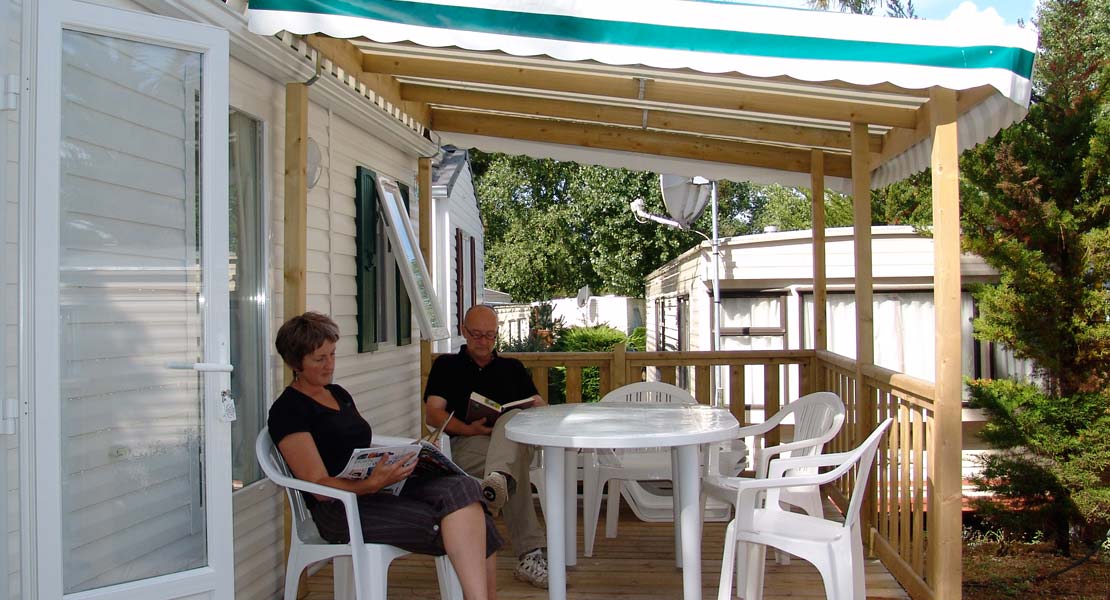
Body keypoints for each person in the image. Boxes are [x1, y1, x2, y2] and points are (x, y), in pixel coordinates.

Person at [268, 312, 501, 600]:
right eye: (319, 359)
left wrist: (412, 452)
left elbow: (359, 446)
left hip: (378, 488)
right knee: (461, 520)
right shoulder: (288, 411)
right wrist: (371, 484)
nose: (329, 364)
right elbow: (318, 485)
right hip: (342, 508)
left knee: (466, 489)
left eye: (332, 354)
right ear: (295, 363)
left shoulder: (337, 394)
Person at [424, 304, 549, 589]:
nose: (484, 341)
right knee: (511, 470)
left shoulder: (512, 368)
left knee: (512, 419)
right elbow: (433, 414)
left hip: (511, 445)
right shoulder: (446, 366)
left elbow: (540, 408)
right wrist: (468, 428)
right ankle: (530, 554)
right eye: (477, 334)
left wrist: (523, 411)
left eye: (490, 336)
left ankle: (496, 481)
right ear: (464, 331)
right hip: (467, 445)